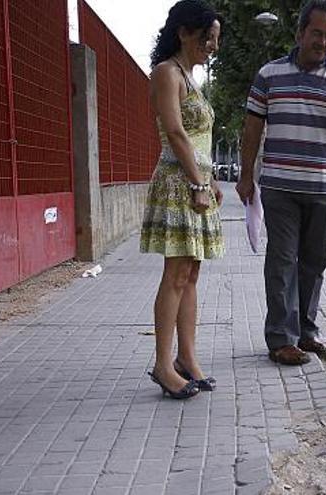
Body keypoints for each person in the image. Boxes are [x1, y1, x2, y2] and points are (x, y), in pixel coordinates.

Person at [236, 0, 326, 366]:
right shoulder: (269, 74)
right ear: (300, 33)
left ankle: (307, 332)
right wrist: (246, 175)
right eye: (317, 33)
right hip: (279, 185)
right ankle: (281, 338)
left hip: (323, 187)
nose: (323, 42)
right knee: (281, 261)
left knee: (315, 262)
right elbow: (252, 129)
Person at [140, 0, 224, 398]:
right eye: (208, 37)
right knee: (175, 275)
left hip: (196, 183)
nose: (213, 46)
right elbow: (175, 132)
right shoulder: (166, 73)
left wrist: (211, 179)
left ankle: (187, 359)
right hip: (179, 184)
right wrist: (198, 183)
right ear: (184, 33)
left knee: (190, 274)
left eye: (216, 39)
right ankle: (162, 364)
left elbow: (200, 140)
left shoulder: (191, 78)